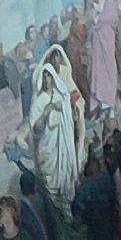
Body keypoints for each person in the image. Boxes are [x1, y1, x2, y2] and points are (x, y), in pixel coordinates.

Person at [29, 53, 85, 204]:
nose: (46, 79)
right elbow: (36, 130)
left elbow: (71, 120)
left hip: (63, 149)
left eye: (49, 76)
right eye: (44, 76)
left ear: (53, 77)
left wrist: (67, 110)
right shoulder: (39, 102)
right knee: (51, 190)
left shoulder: (63, 97)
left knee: (66, 186)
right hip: (48, 150)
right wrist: (47, 111)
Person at [85, 0, 117, 116]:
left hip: (107, 38)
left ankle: (110, 106)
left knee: (109, 70)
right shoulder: (95, 4)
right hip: (97, 41)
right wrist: (95, 18)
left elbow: (113, 18)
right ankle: (102, 106)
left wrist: (98, 19)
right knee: (98, 72)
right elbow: (92, 20)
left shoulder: (109, 3)